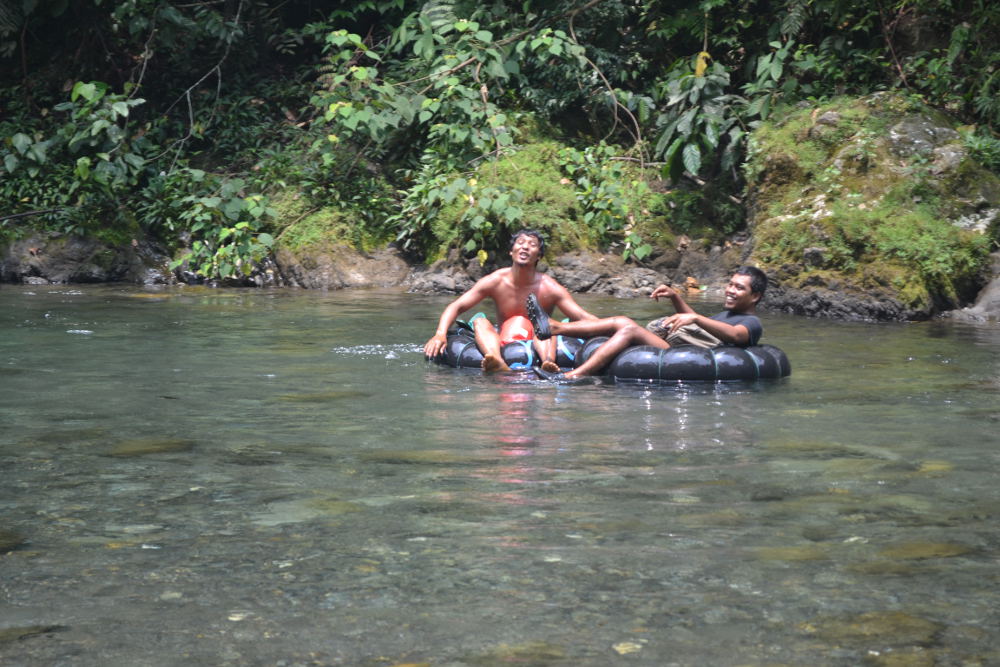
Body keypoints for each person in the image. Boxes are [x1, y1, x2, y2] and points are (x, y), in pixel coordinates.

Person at [526, 266, 768, 379]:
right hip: (679, 345)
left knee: (628, 327)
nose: (730, 291)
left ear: (755, 296)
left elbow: (736, 336)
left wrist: (695, 317)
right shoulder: (725, 315)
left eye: (739, 288)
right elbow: (696, 325)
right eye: (730, 284)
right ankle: (556, 327)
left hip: (685, 356)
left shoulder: (751, 322)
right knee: (620, 321)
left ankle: (573, 377)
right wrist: (676, 298)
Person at [423, 229, 597, 372]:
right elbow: (457, 306)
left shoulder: (550, 288)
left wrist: (611, 330)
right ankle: (496, 360)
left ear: (539, 256)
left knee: (543, 324)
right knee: (480, 321)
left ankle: (548, 362)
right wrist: (440, 333)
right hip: (502, 339)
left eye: (532, 245)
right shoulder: (496, 281)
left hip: (539, 340)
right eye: (520, 243)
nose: (525, 248)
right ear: (511, 251)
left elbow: (582, 316)